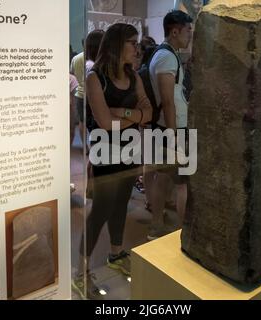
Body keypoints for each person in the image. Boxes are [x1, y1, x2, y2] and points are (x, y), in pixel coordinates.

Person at [72, 23, 152, 300]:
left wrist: (124, 111)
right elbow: (104, 123)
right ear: (117, 45)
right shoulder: (96, 78)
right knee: (101, 211)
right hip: (106, 154)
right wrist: (134, 116)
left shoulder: (133, 75)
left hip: (129, 152)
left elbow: (148, 112)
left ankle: (116, 253)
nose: (137, 47)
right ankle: (80, 272)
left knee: (120, 205)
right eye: (132, 42)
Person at [147, 10, 193, 240]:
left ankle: (157, 226)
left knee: (164, 177)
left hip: (169, 128)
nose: (190, 36)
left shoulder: (167, 54)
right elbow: (167, 100)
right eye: (188, 31)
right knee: (182, 182)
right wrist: (174, 136)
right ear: (174, 31)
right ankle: (184, 233)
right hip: (174, 128)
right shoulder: (167, 57)